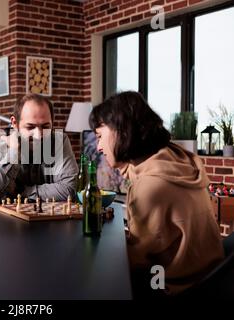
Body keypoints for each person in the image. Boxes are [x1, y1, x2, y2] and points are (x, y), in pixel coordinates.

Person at [89, 91, 224, 296]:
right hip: (210, 277)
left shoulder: (150, 187)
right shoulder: (174, 158)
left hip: (171, 286)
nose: (98, 146)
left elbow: (137, 260)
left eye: (100, 136)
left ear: (121, 131)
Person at [0, 93, 78, 203]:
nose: (38, 135)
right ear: (14, 123)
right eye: (30, 127)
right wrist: (14, 152)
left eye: (45, 126)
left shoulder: (60, 141)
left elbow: (70, 189)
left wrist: (21, 192)